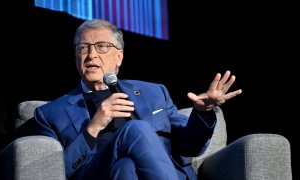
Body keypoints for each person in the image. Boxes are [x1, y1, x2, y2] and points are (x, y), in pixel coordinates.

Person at [16, 18, 242, 180]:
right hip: (96, 173)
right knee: (136, 130)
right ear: (76, 57)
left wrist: (202, 113)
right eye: (83, 48)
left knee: (126, 168)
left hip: (146, 173)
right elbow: (53, 172)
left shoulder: (155, 93)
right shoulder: (49, 114)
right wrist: (93, 127)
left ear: (119, 56)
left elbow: (190, 146)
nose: (91, 55)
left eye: (102, 46)